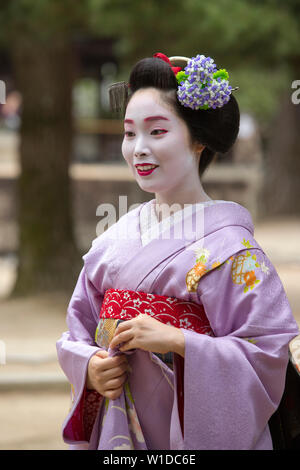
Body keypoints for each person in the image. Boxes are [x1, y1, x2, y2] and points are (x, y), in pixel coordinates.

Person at [56, 52, 299, 450]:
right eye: (129, 133)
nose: (138, 149)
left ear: (199, 139)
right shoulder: (113, 240)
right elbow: (77, 330)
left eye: (156, 131)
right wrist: (91, 368)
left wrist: (181, 342)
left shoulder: (231, 248)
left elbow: (268, 350)